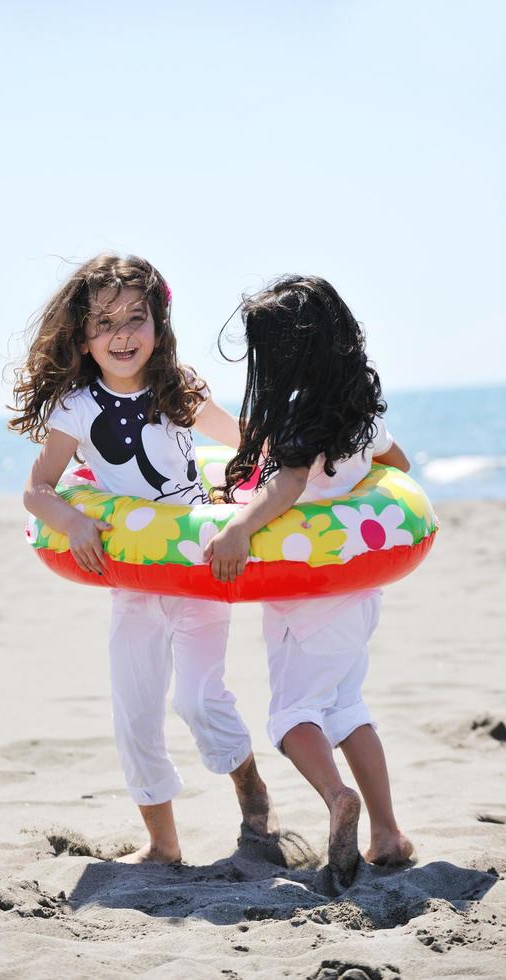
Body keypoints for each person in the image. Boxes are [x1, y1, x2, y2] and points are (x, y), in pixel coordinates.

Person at [10, 254, 276, 864]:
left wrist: (304, 452)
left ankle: (252, 794)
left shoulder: (177, 387)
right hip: (132, 580)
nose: (122, 334)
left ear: (159, 322)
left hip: (196, 568)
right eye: (104, 323)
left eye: (136, 318)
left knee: (199, 699)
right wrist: (73, 520)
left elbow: (245, 438)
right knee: (134, 711)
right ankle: (163, 845)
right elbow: (37, 490)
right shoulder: (77, 407)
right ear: (82, 336)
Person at [204, 275, 414, 891]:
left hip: (305, 594)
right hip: (356, 591)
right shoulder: (357, 409)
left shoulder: (297, 413)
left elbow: (289, 483)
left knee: (294, 715)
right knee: (347, 707)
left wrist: (240, 527)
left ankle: (336, 797)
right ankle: (388, 833)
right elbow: (397, 467)